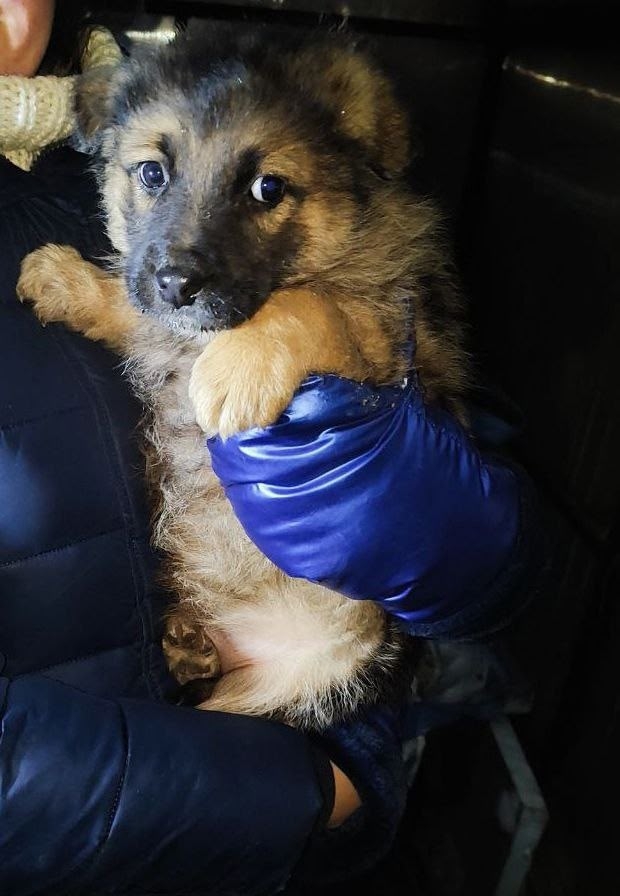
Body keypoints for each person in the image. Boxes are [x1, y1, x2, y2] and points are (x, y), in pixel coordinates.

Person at [0, 3, 543, 894]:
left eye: (263, 192)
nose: (182, 253)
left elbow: (491, 558)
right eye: (154, 175)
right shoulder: (113, 120)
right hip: (169, 792)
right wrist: (302, 796)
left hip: (301, 675)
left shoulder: (83, 135)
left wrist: (308, 332)